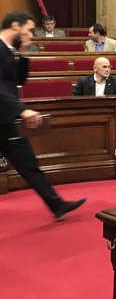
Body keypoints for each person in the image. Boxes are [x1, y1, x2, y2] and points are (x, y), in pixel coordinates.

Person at [0, 11, 86, 220]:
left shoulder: (9, 50)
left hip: (5, 119)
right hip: (7, 114)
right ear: (14, 26)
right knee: (27, 161)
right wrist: (23, 109)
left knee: (28, 162)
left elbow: (19, 81)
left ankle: (56, 205)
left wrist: (24, 53)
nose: (32, 34)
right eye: (29, 30)